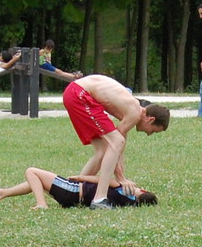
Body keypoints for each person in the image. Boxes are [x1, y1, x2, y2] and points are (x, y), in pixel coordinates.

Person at [59, 74, 170, 209]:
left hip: (75, 93)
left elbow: (119, 149)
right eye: (153, 131)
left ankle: (76, 190)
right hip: (80, 94)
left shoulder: (130, 113)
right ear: (151, 119)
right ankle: (99, 198)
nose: (149, 134)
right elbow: (117, 143)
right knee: (115, 142)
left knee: (102, 150)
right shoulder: (134, 111)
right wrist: (121, 179)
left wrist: (122, 175)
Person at [0, 168, 157, 209]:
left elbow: (102, 179)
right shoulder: (127, 202)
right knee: (37, 182)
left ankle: (41, 204)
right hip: (74, 199)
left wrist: (80, 177)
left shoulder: (123, 189)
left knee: (31, 172)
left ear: (142, 192)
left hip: (72, 190)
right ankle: (2, 193)